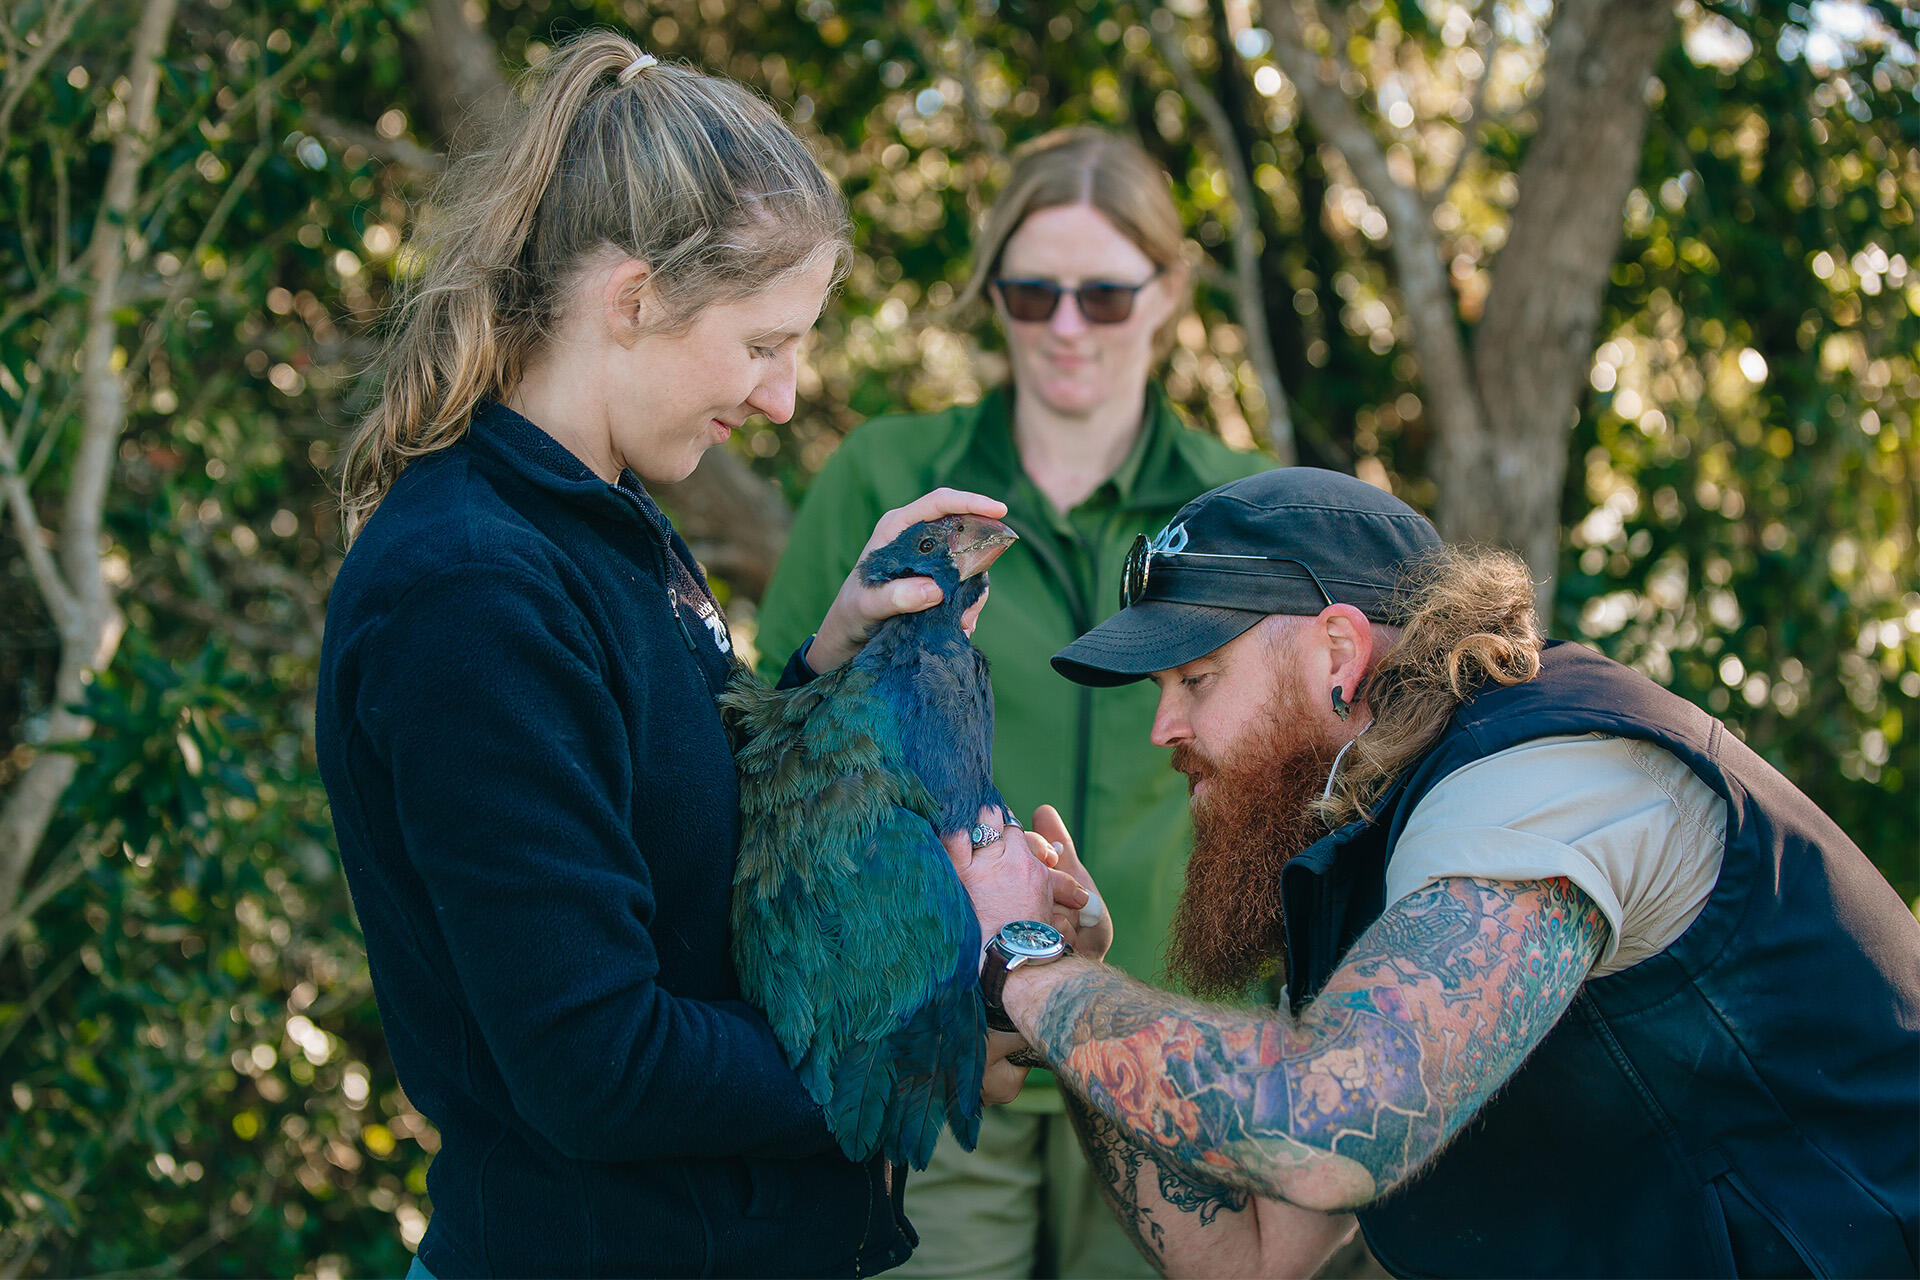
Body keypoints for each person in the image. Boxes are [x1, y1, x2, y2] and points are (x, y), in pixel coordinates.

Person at [316, 36, 1082, 1277]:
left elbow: (677, 860)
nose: (784, 396)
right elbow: (595, 1062)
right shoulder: (469, 592)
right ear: (631, 298)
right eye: (764, 343)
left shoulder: (604, 524)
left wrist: (829, 664)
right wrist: (913, 1049)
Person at [947, 466, 1920, 1278]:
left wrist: (1032, 975)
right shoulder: (1367, 843)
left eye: (1197, 680)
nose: (1167, 729)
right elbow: (1247, 1254)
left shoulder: (1544, 775)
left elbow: (1329, 1135)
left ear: (1337, 648)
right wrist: (1073, 975)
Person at [755, 127, 1268, 1280]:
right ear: (993, 293)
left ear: (1170, 292)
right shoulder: (890, 481)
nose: (1069, 325)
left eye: (1104, 291)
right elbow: (777, 742)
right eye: (1034, 292)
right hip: (934, 1041)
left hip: (1167, 1045)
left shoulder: (1243, 507)